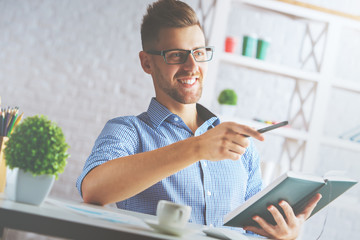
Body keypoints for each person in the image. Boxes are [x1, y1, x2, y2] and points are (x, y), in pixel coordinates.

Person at [76, 0, 321, 238]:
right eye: (176, 55)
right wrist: (196, 148)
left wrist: (283, 235)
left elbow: (253, 230)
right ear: (147, 62)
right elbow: (94, 190)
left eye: (199, 52)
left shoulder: (239, 146)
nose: (192, 66)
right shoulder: (129, 131)